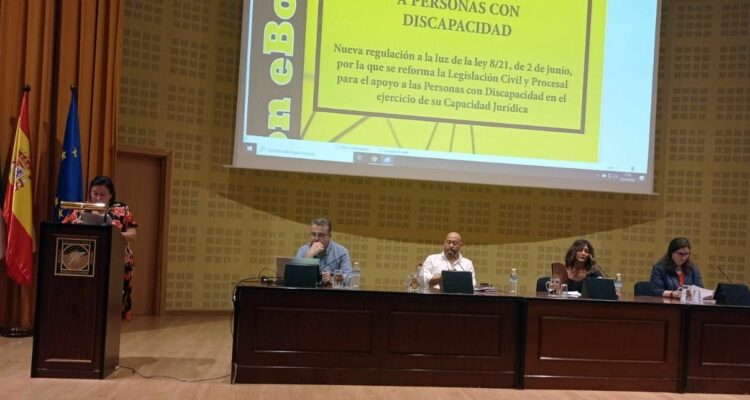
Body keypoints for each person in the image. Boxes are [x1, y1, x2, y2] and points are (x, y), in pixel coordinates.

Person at [63, 175, 138, 320]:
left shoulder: (121, 210)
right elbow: (64, 229)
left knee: (113, 310)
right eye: (95, 193)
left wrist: (115, 233)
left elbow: (133, 235)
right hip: (85, 264)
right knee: (87, 306)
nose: (97, 197)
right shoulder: (81, 209)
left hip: (117, 263)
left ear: (111, 195)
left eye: (102, 194)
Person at [295, 217, 351, 283]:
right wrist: (309, 255)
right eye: (313, 234)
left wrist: (333, 278)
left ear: (329, 236)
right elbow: (295, 276)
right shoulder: (303, 250)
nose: (316, 238)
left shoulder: (341, 252)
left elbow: (349, 277)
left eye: (320, 235)